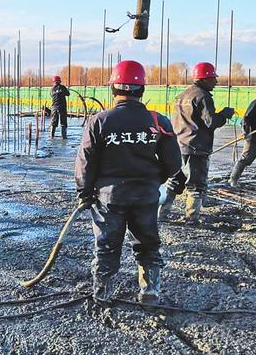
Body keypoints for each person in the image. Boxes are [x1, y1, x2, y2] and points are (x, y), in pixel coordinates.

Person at [75, 60, 182, 305]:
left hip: (109, 198)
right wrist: (155, 180)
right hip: (145, 197)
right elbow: (174, 164)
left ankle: (103, 293)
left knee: (107, 246)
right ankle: (149, 291)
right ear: (142, 89)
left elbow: (85, 162)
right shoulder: (159, 122)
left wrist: (84, 191)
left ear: (113, 89)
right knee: (147, 244)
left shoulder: (100, 121)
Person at [159, 62, 234, 225]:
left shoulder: (182, 96)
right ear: (205, 78)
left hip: (179, 145)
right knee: (196, 185)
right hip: (196, 148)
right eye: (213, 78)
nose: (216, 82)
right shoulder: (203, 96)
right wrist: (225, 114)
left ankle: (162, 214)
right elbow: (211, 122)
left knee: (175, 181)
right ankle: (192, 219)